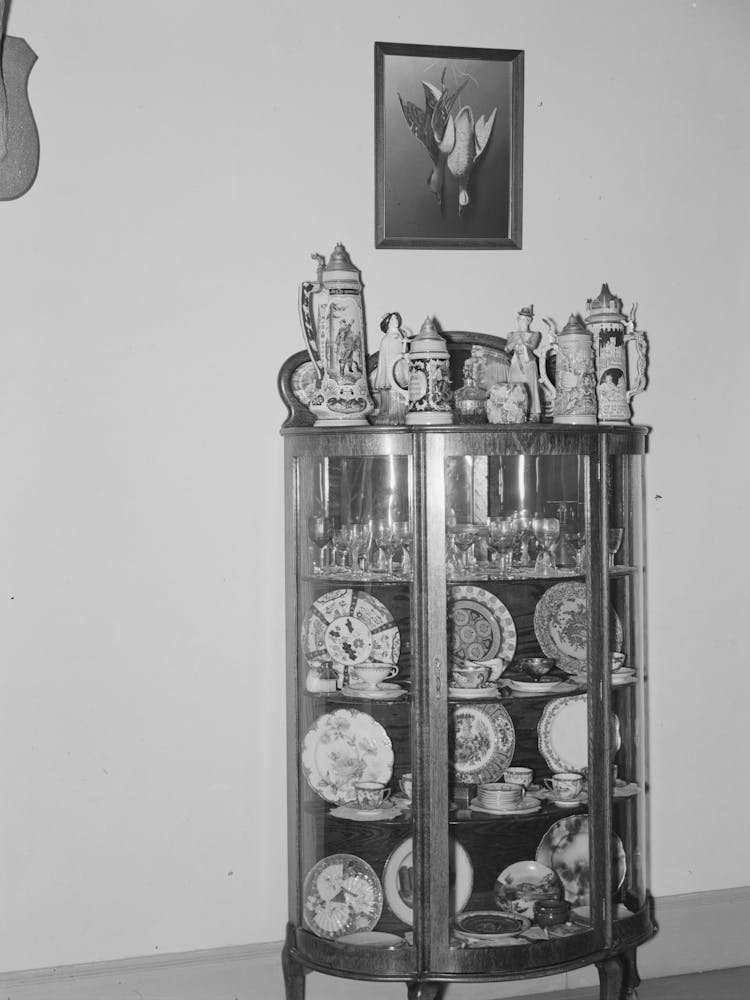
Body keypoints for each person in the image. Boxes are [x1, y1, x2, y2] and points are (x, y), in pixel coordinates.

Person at [505, 305, 542, 421]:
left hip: (528, 363)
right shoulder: (512, 334)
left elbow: (533, 346)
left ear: (529, 321)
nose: (520, 321)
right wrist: (513, 344)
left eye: (523, 319)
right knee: (515, 386)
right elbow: (506, 349)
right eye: (519, 319)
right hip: (516, 363)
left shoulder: (535, 334)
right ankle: (515, 411)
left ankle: (532, 412)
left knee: (530, 387)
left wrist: (523, 344)